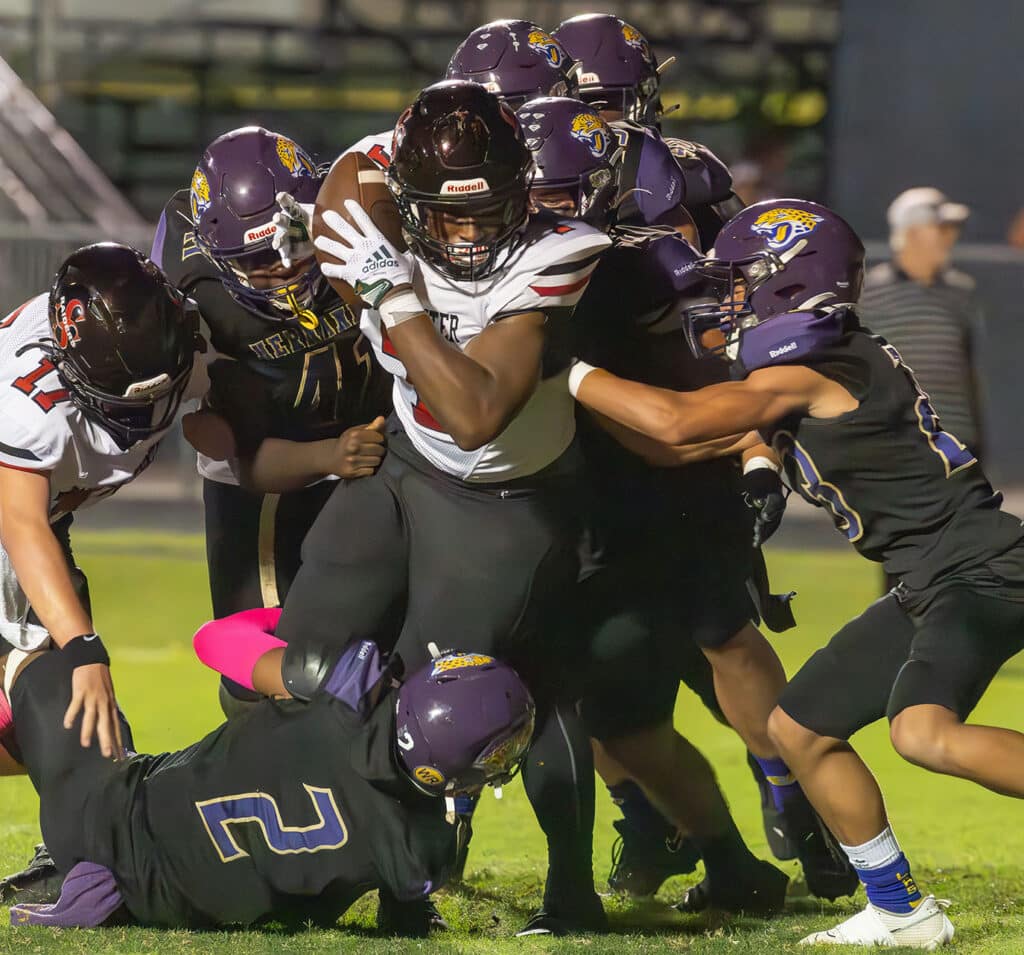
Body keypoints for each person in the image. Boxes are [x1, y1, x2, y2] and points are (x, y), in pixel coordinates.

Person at [570, 197, 1024, 947]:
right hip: (930, 574)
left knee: (923, 733)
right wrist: (751, 461)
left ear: (790, 282)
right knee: (798, 727)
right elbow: (681, 449)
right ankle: (901, 908)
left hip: (976, 566)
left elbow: (678, 422)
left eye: (744, 284)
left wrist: (564, 369)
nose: (732, 301)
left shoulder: (813, 368)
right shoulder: (821, 362)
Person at [278, 80, 611, 936]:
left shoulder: (563, 249)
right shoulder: (378, 180)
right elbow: (348, 183)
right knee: (310, 636)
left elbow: (474, 411)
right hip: (403, 460)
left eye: (488, 211)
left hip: (502, 494)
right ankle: (296, 839)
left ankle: (550, 888)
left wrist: (392, 293)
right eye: (446, 215)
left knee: (455, 692)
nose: (466, 234)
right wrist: (350, 259)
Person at [521, 96, 853, 912]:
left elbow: (719, 371)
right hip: (562, 480)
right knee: (594, 697)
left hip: (667, 468)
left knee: (720, 638)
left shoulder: (665, 224)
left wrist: (752, 450)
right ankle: (677, 832)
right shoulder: (483, 209)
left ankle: (792, 792)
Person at [0, 616, 534, 934]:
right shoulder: (420, 852)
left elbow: (216, 638)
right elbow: (402, 906)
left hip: (105, 813)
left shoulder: (339, 701)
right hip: (158, 903)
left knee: (33, 649)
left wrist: (302, 622)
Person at [0, 243, 207, 901]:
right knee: (66, 683)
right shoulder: (28, 396)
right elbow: (20, 523)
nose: (139, 422)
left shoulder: (182, 337)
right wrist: (83, 645)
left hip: (36, 531)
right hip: (17, 526)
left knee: (77, 722)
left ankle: (78, 842)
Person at [151, 127, 392, 685]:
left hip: (373, 445)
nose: (283, 265)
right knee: (259, 665)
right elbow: (244, 460)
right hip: (268, 474)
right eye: (258, 257)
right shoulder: (194, 298)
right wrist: (329, 454)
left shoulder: (354, 205)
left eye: (294, 240)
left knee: (380, 644)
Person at [860, 187, 983, 455]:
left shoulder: (961, 291)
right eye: (941, 228)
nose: (951, 236)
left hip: (957, 440)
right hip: (894, 439)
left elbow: (968, 369)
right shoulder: (868, 292)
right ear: (912, 232)